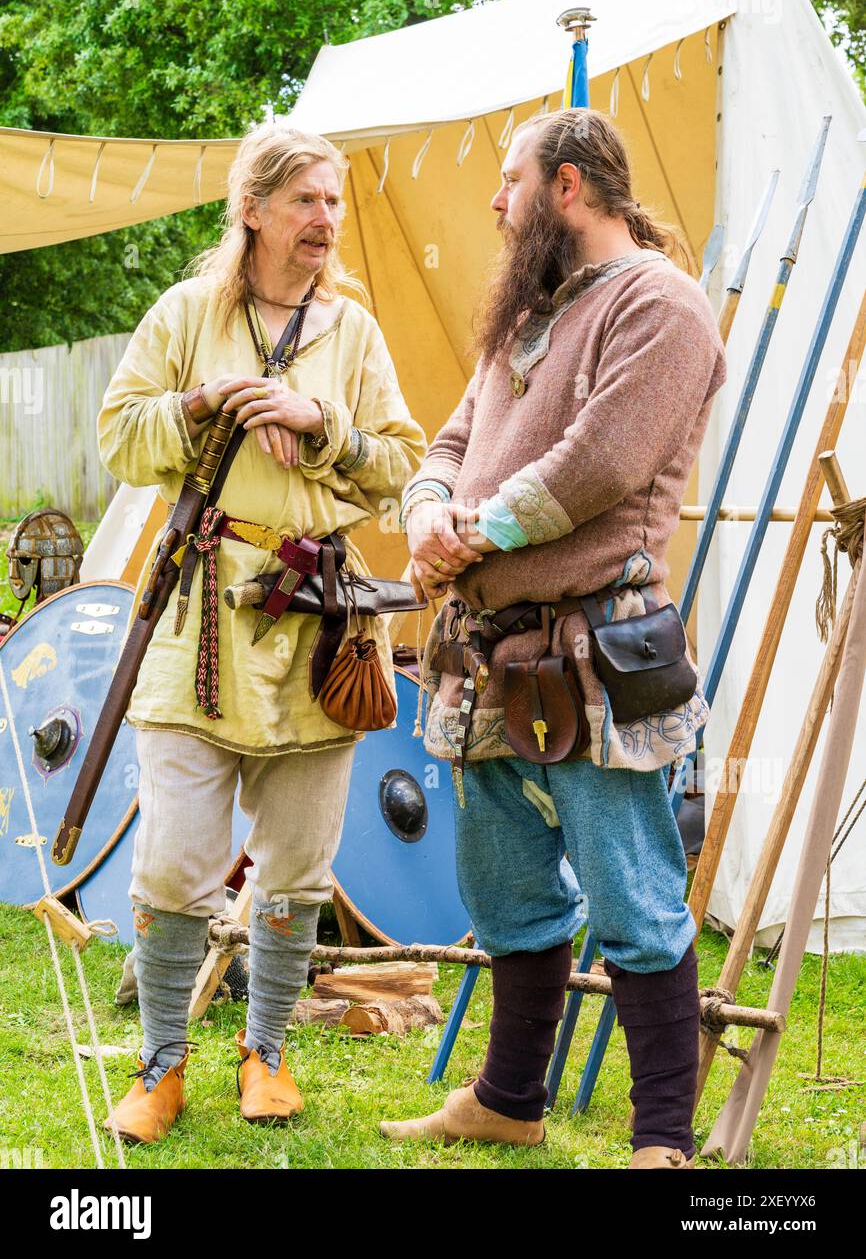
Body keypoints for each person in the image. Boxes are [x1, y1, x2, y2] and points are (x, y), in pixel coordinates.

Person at [382, 109, 726, 1169]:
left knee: (632, 895)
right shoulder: (526, 310)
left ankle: (660, 1137)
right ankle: (507, 1099)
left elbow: (600, 462)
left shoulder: (658, 305)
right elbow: (449, 438)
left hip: (595, 650)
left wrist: (469, 532)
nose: (493, 202)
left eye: (507, 180)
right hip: (485, 653)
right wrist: (426, 509)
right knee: (507, 893)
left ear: (565, 186)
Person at [98, 123, 425, 1143]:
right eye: (305, 202)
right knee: (173, 862)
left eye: (331, 202)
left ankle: (267, 1054)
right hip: (198, 618)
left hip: (317, 630)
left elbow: (402, 462)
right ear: (253, 207)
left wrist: (319, 423)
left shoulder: (352, 333)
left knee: (294, 863)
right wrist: (202, 403)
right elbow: (118, 432)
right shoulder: (191, 313)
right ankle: (160, 1066)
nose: (325, 220)